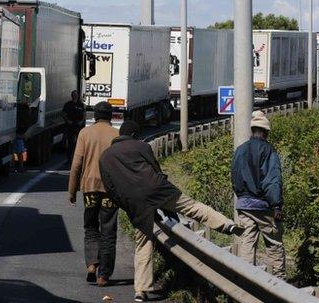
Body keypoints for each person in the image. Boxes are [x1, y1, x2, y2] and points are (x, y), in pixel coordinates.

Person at [99, 121, 244, 302]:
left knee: (143, 242)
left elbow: (110, 188)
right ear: (135, 134)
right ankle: (226, 225)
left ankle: (141, 290)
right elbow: (156, 169)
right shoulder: (141, 146)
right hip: (158, 190)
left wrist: (128, 204)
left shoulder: (105, 157)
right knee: (191, 207)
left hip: (134, 202)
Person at [68, 102, 119, 287]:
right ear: (111, 116)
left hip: (89, 188)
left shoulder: (85, 133)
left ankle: (91, 265)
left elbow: (76, 164)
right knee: (108, 231)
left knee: (90, 228)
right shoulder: (117, 135)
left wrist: (72, 190)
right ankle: (103, 276)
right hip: (111, 190)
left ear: (94, 115)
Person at [231, 111, 286, 279]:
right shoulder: (268, 150)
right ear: (266, 132)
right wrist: (276, 205)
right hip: (263, 206)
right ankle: (279, 284)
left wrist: (242, 196)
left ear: (252, 130)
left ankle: (246, 282)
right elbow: (272, 179)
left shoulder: (240, 150)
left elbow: (234, 176)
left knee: (247, 243)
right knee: (274, 243)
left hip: (243, 205)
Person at [62, 90, 85, 161]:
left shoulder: (81, 104)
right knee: (70, 142)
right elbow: (63, 114)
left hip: (79, 126)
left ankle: (78, 157)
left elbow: (84, 113)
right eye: (74, 94)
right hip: (71, 126)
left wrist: (82, 121)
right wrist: (67, 121)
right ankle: (69, 158)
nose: (75, 96)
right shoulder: (68, 104)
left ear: (78, 96)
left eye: (76, 94)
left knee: (79, 142)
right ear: (72, 96)